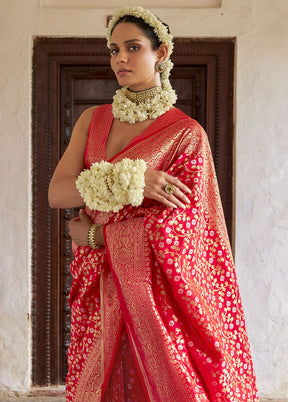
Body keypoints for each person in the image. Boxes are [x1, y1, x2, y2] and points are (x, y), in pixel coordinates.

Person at [48, 6, 259, 402]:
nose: (120, 59)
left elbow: (183, 230)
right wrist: (131, 182)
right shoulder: (92, 120)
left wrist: (97, 234)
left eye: (133, 47)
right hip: (99, 283)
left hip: (156, 291)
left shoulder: (185, 135)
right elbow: (58, 193)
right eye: (114, 49)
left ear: (161, 53)